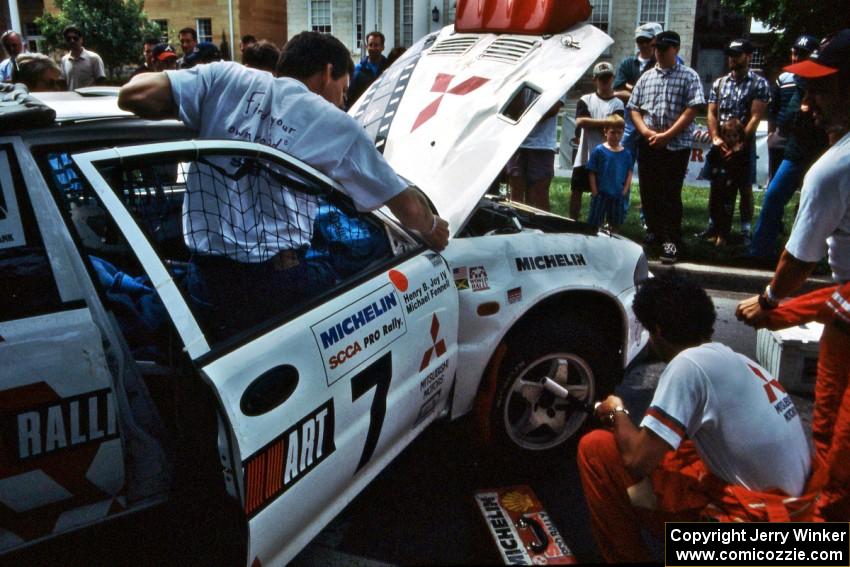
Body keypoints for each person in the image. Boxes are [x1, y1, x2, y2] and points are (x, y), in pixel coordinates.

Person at [117, 31, 448, 330]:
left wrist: (207, 118)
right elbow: (405, 205)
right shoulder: (336, 125)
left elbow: (132, 96)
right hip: (279, 289)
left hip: (206, 281)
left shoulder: (226, 77)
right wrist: (433, 227)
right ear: (328, 71)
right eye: (344, 90)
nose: (342, 101)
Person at [579, 272, 811, 563]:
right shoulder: (740, 361)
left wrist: (616, 410)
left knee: (595, 449)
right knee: (678, 458)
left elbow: (638, 460)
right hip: (797, 531)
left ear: (659, 331)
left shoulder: (688, 365)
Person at [736, 29, 850, 522]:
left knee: (833, 436)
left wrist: (767, 302)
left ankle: (820, 536)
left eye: (819, 89)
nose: (806, 104)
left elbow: (796, 265)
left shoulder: (833, 169)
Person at [749, 36, 829, 261]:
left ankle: (806, 257)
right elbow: (783, 111)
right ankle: (760, 252)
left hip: (819, 153)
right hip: (794, 149)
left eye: (803, 55)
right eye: (796, 53)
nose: (797, 59)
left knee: (812, 206)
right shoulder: (791, 80)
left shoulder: (824, 81)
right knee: (773, 197)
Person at [629, 30, 705, 264]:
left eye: (663, 49)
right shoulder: (647, 76)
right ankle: (654, 234)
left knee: (669, 194)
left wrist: (668, 135)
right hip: (650, 142)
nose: (658, 53)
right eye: (656, 48)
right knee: (649, 193)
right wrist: (646, 131)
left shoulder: (689, 76)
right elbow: (634, 107)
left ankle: (671, 240)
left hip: (676, 145)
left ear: (676, 50)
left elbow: (693, 109)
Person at [700, 38, 770, 247]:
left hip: (743, 144)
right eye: (730, 54)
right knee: (716, 185)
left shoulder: (759, 84)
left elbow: (756, 116)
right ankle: (714, 225)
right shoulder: (719, 83)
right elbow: (711, 112)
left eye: (737, 54)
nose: (732, 58)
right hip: (721, 144)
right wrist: (716, 138)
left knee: (744, 187)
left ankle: (746, 230)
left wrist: (740, 144)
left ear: (748, 56)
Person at [569, 61, 625, 220]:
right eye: (601, 78)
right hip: (585, 155)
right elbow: (580, 122)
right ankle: (573, 222)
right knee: (576, 191)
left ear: (613, 78)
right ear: (595, 79)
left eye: (608, 77)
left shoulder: (618, 103)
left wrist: (592, 122)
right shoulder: (586, 99)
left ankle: (601, 224)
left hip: (607, 157)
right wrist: (607, 122)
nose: (605, 81)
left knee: (605, 193)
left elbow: (617, 126)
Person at [506, 93, 564, 211]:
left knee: (539, 196)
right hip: (516, 144)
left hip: (542, 145)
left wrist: (524, 118)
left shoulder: (558, 76)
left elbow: (553, 109)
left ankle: (540, 227)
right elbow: (511, 108)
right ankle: (515, 226)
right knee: (515, 194)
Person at [705, 118, 748, 246]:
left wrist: (733, 177)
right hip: (717, 183)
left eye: (735, 135)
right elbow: (710, 159)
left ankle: (723, 235)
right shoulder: (718, 149)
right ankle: (715, 232)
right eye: (728, 135)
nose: (731, 139)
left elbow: (741, 168)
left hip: (730, 186)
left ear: (740, 136)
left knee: (726, 210)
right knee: (714, 207)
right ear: (723, 135)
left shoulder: (740, 152)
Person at [586, 114, 632, 232]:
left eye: (619, 133)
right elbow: (592, 172)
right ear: (605, 131)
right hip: (601, 194)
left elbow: (629, 173)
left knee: (615, 223)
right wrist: (595, 191)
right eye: (613, 132)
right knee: (594, 223)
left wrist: (625, 191)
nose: (616, 136)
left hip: (617, 194)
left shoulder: (626, 154)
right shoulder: (599, 150)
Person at [347, 31, 388, 107]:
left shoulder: (389, 67)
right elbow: (350, 98)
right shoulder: (358, 70)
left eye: (376, 45)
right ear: (367, 47)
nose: (373, 48)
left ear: (383, 47)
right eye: (370, 45)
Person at [59, 25, 106, 90]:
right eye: (68, 38)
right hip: (71, 99)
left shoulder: (94, 58)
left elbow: (101, 80)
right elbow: (63, 82)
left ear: (81, 39)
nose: (72, 41)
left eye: (75, 38)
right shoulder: (64, 60)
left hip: (89, 99)